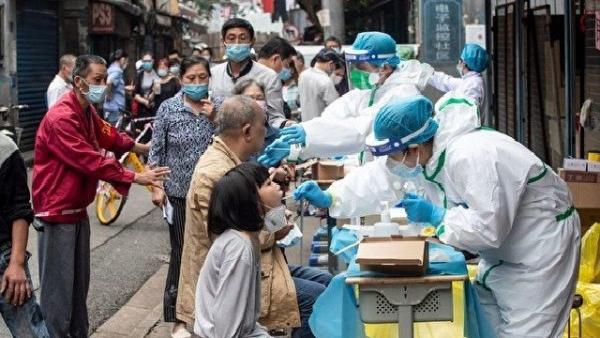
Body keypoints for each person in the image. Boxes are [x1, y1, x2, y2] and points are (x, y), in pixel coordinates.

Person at [295, 94, 581, 338]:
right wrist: (333, 196)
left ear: (415, 147)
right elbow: (383, 177)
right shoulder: (428, 154)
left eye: (395, 155)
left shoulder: (472, 155)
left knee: (528, 332)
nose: (391, 164)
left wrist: (438, 216)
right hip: (503, 255)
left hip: (539, 250)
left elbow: (487, 228)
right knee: (489, 329)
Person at [32, 54, 170, 338]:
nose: (103, 85)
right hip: (57, 211)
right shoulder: (62, 116)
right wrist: (134, 176)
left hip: (76, 208)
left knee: (78, 287)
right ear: (79, 81)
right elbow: (89, 159)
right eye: (98, 80)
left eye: (105, 79)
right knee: (59, 293)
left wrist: (137, 147)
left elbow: (108, 135)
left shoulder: (85, 110)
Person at [177, 96, 331, 338]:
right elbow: (229, 329)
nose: (267, 131)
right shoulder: (216, 173)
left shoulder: (236, 160)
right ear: (247, 130)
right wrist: (276, 220)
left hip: (263, 262)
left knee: (329, 283)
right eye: (264, 125)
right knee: (315, 298)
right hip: (233, 276)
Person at [258, 31, 433, 166]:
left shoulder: (402, 94)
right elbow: (335, 115)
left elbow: (360, 131)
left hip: (400, 174)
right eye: (353, 66)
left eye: (360, 66)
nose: (355, 72)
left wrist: (308, 135)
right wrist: (295, 144)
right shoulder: (371, 90)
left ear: (385, 67)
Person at [149, 56, 214, 338]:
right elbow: (156, 150)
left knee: (214, 255)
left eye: (202, 77)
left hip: (215, 196)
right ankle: (179, 319)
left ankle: (210, 315)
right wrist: (156, 185)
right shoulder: (169, 108)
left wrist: (216, 118)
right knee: (181, 254)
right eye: (191, 78)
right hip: (179, 195)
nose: (197, 83)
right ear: (181, 80)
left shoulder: (219, 108)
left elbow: (234, 142)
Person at [195, 162, 281, 338]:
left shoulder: (248, 238)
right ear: (251, 199)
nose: (277, 186)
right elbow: (227, 332)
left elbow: (244, 323)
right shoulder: (239, 248)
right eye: (268, 184)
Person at [0, 132, 50, 338]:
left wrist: (16, 263)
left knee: (30, 333)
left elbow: (19, 208)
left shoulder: (5, 149)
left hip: (5, 261)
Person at [209, 18, 292, 130]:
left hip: (257, 143)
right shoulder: (213, 74)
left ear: (252, 42)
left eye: (243, 38)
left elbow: (275, 118)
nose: (237, 43)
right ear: (223, 41)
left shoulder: (268, 76)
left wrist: (287, 125)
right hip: (221, 142)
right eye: (231, 38)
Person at [297, 48, 342, 122]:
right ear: (331, 64)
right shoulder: (325, 81)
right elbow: (336, 108)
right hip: (321, 127)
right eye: (335, 66)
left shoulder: (303, 75)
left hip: (305, 125)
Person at [103, 49, 129, 125]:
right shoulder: (117, 70)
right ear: (122, 59)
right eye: (126, 61)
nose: (127, 63)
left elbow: (113, 85)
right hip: (115, 108)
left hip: (110, 108)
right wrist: (109, 95)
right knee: (115, 133)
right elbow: (109, 82)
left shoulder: (110, 68)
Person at [134, 52, 159, 118]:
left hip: (155, 109)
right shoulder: (139, 75)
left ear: (153, 61)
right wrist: (145, 102)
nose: (147, 63)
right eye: (145, 61)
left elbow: (158, 92)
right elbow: (135, 93)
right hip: (142, 109)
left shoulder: (158, 75)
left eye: (149, 61)